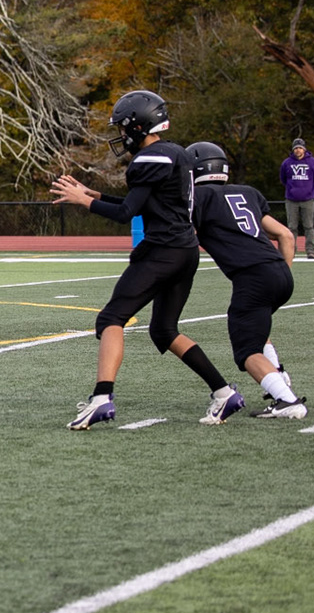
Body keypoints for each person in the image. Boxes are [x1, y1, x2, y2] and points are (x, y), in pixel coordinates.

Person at [50, 90, 244, 429]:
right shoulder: (176, 153)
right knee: (164, 330)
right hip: (185, 251)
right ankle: (224, 391)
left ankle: (101, 398)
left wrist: (84, 202)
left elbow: (127, 212)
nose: (121, 136)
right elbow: (146, 202)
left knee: (111, 318)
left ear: (138, 127)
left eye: (124, 129)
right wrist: (96, 194)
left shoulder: (149, 159)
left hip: (162, 252)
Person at [187, 142, 308, 418]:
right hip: (279, 272)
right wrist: (282, 271)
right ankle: (277, 376)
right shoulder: (248, 192)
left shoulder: (198, 198)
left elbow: (186, 240)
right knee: (256, 328)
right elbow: (286, 236)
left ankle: (287, 400)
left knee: (246, 352)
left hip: (252, 277)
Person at [278, 139, 314, 261]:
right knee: (292, 227)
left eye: (300, 148)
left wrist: (309, 190)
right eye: (296, 148)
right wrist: (292, 190)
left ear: (304, 149)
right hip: (291, 199)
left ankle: (311, 251)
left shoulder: (312, 162)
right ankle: (291, 251)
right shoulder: (287, 163)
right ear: (293, 150)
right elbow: (283, 179)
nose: (298, 150)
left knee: (309, 226)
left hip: (308, 199)